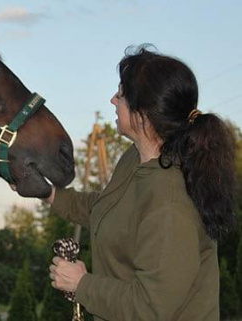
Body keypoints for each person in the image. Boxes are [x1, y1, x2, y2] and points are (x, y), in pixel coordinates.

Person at [47, 45, 237, 321]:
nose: (113, 99)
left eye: (122, 94)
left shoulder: (170, 201)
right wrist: (49, 193)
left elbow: (150, 308)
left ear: (143, 114)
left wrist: (81, 284)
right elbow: (106, 210)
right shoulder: (135, 160)